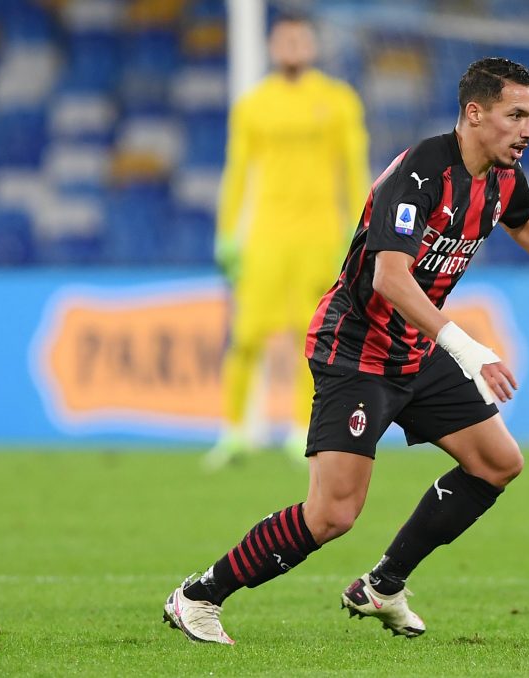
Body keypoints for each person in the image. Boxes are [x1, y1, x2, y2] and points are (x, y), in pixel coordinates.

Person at [164, 56, 529, 645]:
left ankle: (382, 585)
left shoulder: (504, 176)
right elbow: (390, 279)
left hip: (415, 346)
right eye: (516, 116)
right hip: (355, 348)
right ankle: (198, 596)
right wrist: (467, 348)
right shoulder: (421, 174)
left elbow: (523, 219)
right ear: (475, 114)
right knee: (332, 514)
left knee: (498, 462)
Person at [206, 12, 370, 469]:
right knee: (245, 335)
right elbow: (238, 172)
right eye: (285, 40)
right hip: (266, 236)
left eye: (300, 40)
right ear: (272, 48)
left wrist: (358, 229)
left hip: (320, 235)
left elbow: (353, 167)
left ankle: (303, 429)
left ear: (312, 47)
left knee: (312, 337)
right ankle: (233, 433)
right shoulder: (254, 105)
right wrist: (227, 233)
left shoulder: (338, 101)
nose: (292, 47)